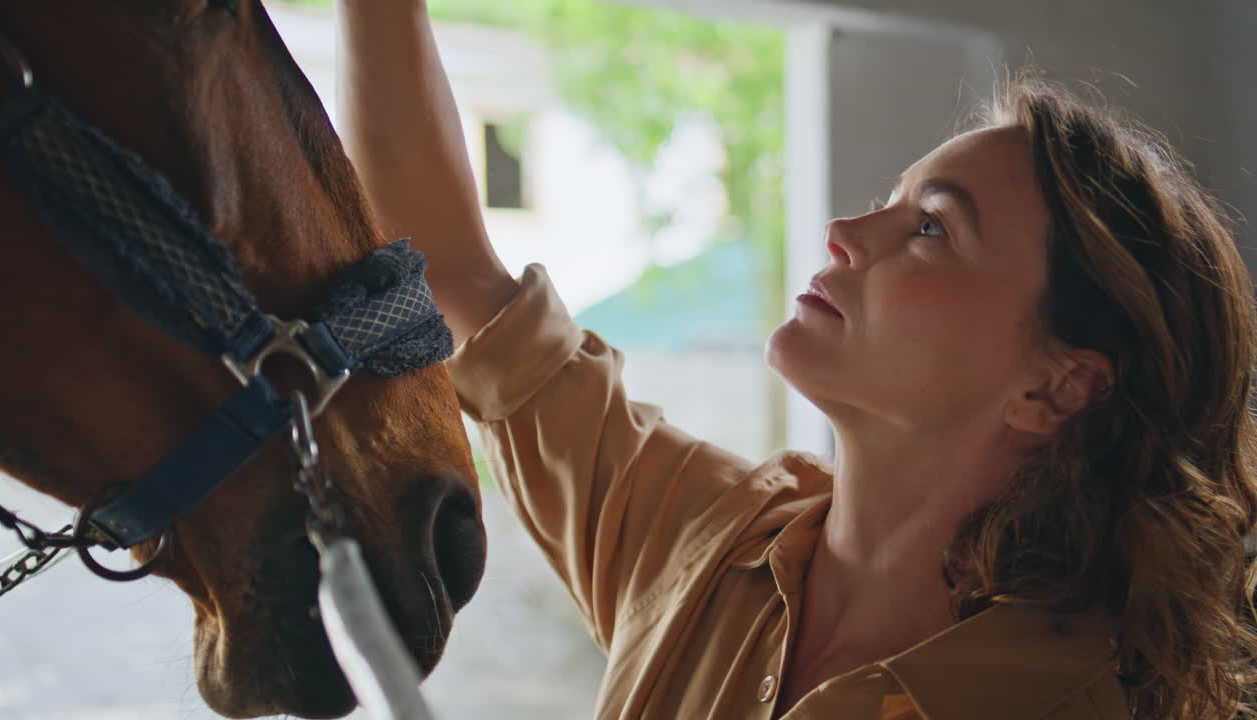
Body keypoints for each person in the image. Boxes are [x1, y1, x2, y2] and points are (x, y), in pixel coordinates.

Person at [335, 1, 1257, 718]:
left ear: (1056, 386)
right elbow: (453, 272)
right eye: (887, 201)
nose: (845, 233)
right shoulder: (705, 542)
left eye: (931, 227)